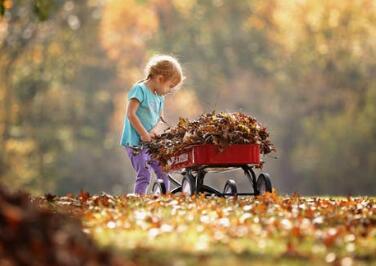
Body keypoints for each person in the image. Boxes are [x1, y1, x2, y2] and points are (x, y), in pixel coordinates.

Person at [120, 54, 184, 195]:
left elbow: (158, 119)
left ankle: (165, 197)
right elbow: (131, 114)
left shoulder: (160, 97)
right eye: (170, 86)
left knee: (163, 170)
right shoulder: (140, 89)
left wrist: (156, 132)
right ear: (160, 79)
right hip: (135, 142)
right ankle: (139, 199)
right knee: (144, 173)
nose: (169, 91)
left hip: (150, 142)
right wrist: (143, 134)